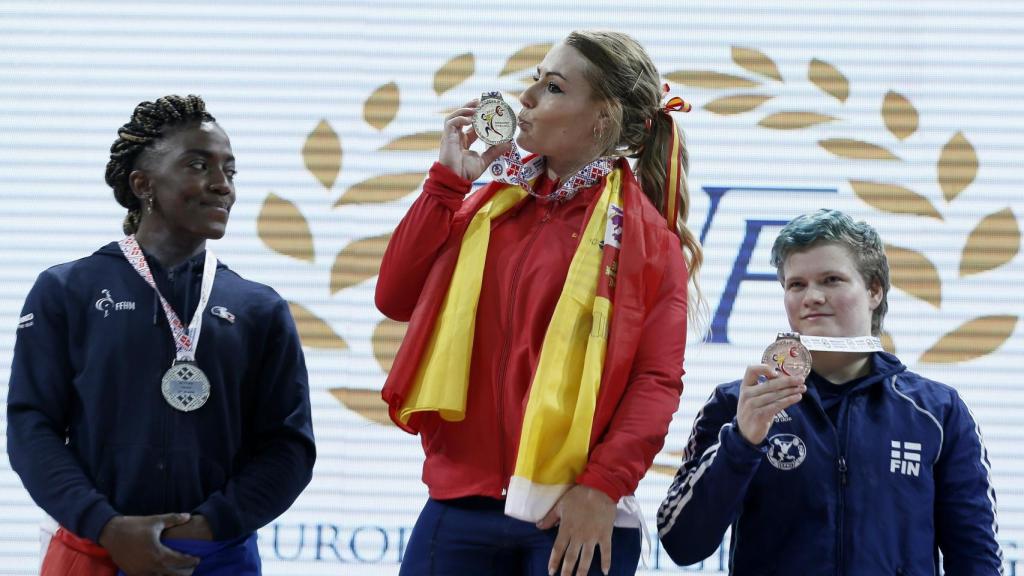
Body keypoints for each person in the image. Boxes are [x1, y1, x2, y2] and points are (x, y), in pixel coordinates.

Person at [376, 31, 702, 576]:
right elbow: (394, 297)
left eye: (552, 87)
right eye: (534, 80)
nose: (525, 99)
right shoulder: (486, 208)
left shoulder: (647, 239)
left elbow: (655, 383)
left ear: (603, 117)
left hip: (572, 515)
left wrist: (602, 489)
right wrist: (446, 185)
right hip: (461, 504)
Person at [7, 94, 316, 575]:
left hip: (216, 558)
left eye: (230, 172)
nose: (221, 186)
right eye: (199, 165)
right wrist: (106, 526)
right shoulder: (67, 290)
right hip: (95, 552)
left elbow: (289, 448)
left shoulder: (259, 309)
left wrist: (210, 526)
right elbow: (32, 428)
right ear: (142, 183)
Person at [657, 209, 1003, 574]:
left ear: (873, 290)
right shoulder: (738, 403)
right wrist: (741, 443)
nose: (812, 297)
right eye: (797, 285)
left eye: (831, 280)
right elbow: (682, 544)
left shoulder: (937, 411)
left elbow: (975, 557)